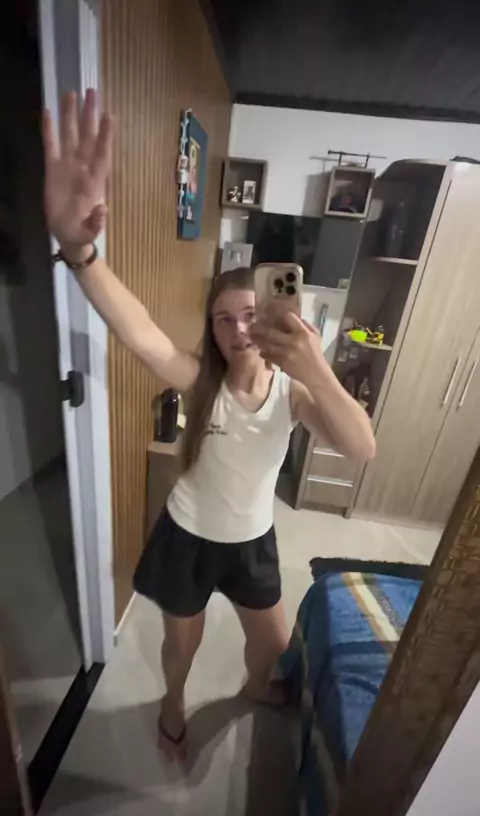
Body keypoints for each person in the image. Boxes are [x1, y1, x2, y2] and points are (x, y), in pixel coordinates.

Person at [42, 89, 376, 760]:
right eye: (224, 319)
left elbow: (360, 447)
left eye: (251, 314)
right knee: (183, 643)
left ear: (277, 315)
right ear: (213, 330)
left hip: (251, 541)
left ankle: (254, 688)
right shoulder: (201, 380)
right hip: (188, 537)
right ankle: (172, 703)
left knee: (273, 645)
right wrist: (80, 252)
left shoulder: (294, 391)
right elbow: (138, 330)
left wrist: (316, 366)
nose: (238, 329)